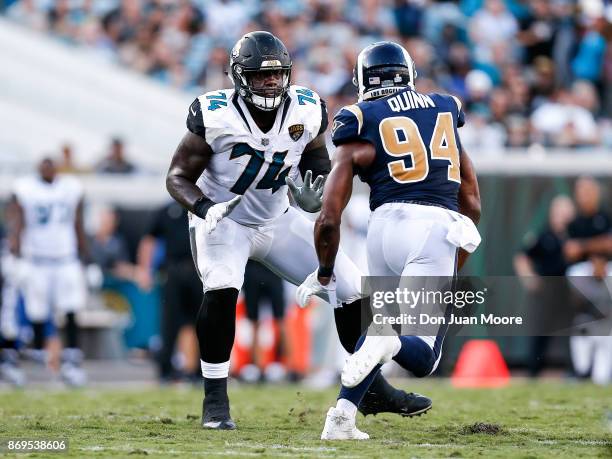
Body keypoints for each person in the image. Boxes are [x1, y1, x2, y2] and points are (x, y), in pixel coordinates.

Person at [166, 31, 430, 430]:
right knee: (221, 288)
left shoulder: (306, 108)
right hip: (225, 221)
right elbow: (177, 177)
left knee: (354, 289)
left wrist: (317, 194)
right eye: (260, 76)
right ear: (239, 77)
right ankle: (215, 400)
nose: (270, 83)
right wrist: (205, 207)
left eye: (276, 75)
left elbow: (318, 160)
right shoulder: (215, 113)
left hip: (279, 218)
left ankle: (371, 388)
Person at [296, 42, 481, 439]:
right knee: (423, 355)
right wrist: (456, 253)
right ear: (408, 73)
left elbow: (329, 216)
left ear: (363, 80)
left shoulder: (358, 118)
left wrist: (325, 270)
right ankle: (385, 346)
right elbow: (472, 199)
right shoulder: (445, 106)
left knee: (382, 326)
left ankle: (341, 418)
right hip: (433, 225)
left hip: (382, 228)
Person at [8, 158, 88, 387]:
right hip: (36, 259)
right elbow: (17, 221)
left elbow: (78, 223)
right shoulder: (26, 188)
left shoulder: (70, 187)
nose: (47, 168)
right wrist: (15, 253)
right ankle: (41, 356)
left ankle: (71, 358)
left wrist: (87, 258)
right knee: (37, 311)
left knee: (72, 307)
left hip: (65, 258)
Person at [135, 200, 201, 383]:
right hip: (173, 270)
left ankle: (199, 370)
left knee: (201, 322)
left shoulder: (204, 207)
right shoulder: (166, 210)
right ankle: (165, 369)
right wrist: (144, 269)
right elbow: (149, 239)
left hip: (200, 270)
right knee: (170, 322)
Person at [514, 195, 575, 377]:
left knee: (573, 333)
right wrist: (529, 278)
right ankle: (533, 371)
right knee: (541, 332)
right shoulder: (543, 235)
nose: (562, 216)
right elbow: (522, 256)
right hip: (548, 290)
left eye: (565, 212)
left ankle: (575, 371)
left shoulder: (576, 236)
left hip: (570, 291)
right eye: (558, 212)